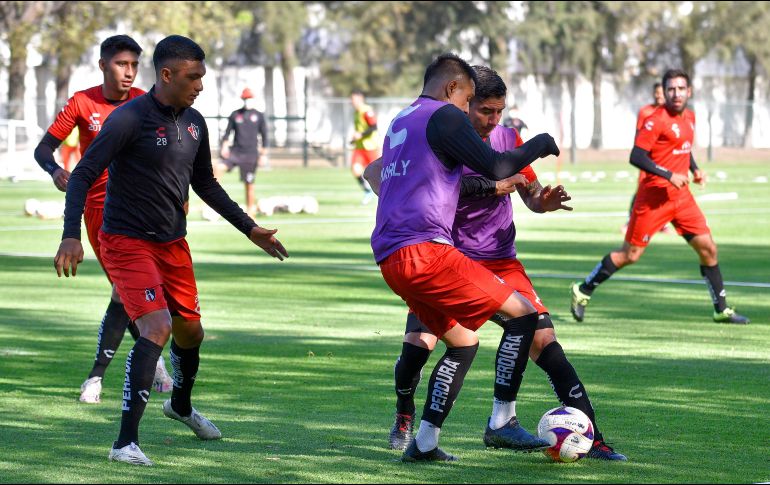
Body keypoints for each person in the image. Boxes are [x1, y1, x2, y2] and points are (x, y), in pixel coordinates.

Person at [54, 35, 289, 466]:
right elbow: (84, 173)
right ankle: (124, 443)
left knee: (190, 333)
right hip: (125, 241)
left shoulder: (196, 122)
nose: (200, 84)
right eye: (192, 76)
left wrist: (250, 228)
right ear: (166, 75)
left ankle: (180, 405)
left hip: (172, 244)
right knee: (157, 327)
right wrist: (72, 235)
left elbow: (206, 185)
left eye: (202, 75)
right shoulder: (128, 119)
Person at [369, 66, 625, 461]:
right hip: (443, 255)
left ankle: (593, 440)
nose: (492, 120)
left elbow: (527, 190)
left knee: (536, 338)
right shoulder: (442, 125)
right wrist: (494, 183)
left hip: (495, 260)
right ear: (464, 100)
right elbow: (383, 172)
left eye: (498, 111)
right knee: (419, 346)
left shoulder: (504, 137)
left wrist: (543, 201)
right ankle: (425, 414)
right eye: (484, 109)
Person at [34, 34, 173, 404]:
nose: (128, 73)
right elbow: (43, 148)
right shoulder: (83, 102)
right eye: (120, 64)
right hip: (102, 212)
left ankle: (139, 361)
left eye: (133, 65)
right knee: (126, 291)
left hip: (146, 205)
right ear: (103, 65)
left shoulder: (147, 100)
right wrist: (53, 170)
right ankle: (105, 374)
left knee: (141, 291)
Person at [570, 69, 749, 325]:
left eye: (680, 88)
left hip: (681, 198)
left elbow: (683, 149)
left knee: (708, 248)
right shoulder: (656, 120)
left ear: (689, 91)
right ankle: (583, 289)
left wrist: (695, 170)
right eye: (671, 89)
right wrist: (668, 175)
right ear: (664, 92)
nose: (676, 93)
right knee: (629, 255)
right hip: (652, 199)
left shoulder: (690, 118)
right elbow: (637, 156)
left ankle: (721, 309)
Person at [622, 82, 674, 235]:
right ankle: (631, 222)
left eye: (661, 93)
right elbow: (639, 134)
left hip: (664, 158)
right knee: (642, 189)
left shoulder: (670, 113)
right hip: (647, 159)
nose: (659, 96)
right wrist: (639, 154)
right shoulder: (645, 112)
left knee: (664, 190)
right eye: (656, 92)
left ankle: (661, 224)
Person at [216, 87, 269, 216]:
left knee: (249, 184)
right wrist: (224, 146)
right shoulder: (235, 115)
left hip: (251, 155)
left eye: (249, 98)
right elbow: (227, 134)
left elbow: (265, 136)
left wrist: (263, 155)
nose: (247, 101)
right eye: (245, 98)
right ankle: (211, 204)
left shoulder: (259, 115)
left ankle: (251, 210)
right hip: (236, 152)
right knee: (218, 168)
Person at [349, 89, 380, 205]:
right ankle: (367, 191)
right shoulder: (356, 112)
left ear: (360, 99)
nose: (352, 102)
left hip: (370, 147)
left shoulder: (367, 111)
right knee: (355, 169)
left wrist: (360, 135)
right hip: (359, 147)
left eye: (353, 99)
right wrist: (354, 139)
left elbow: (373, 127)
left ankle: (384, 194)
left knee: (376, 174)